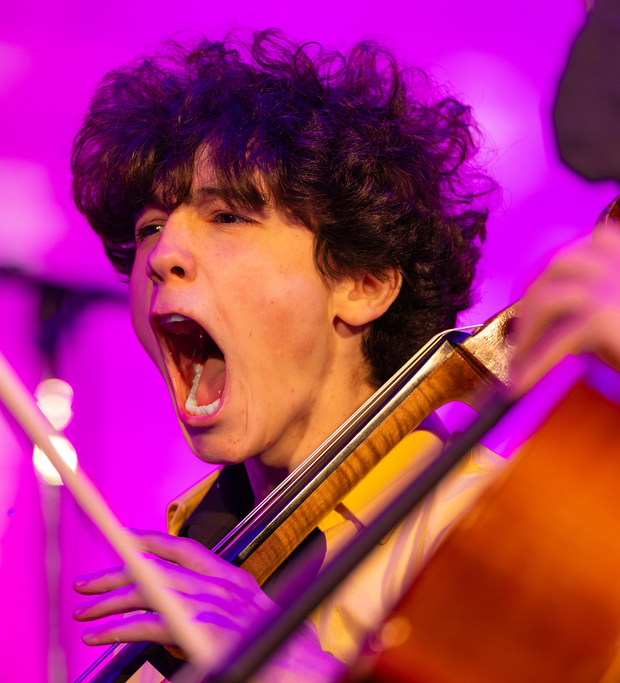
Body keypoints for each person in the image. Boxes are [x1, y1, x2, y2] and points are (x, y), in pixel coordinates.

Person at [66, 29, 502, 679]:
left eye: (228, 217)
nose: (161, 257)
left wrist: (301, 668)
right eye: (150, 228)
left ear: (364, 281)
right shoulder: (208, 536)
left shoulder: (491, 532)